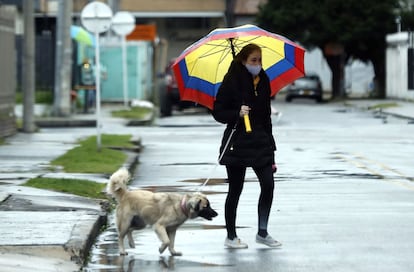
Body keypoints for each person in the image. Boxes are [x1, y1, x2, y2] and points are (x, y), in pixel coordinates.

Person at [212, 43, 281, 249]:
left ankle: (262, 231)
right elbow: (218, 112)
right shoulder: (231, 81)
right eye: (253, 60)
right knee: (235, 189)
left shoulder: (263, 80)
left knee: (268, 184)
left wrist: (272, 149)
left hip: (260, 141)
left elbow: (267, 115)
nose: (257, 64)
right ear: (243, 60)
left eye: (260, 60)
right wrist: (236, 112)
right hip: (238, 141)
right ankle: (231, 236)